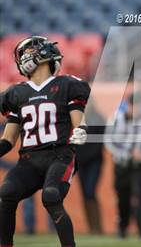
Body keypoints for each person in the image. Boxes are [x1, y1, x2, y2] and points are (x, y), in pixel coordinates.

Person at [0, 36, 90, 247]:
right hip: (29, 160)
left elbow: (79, 122)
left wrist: (80, 131)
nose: (22, 59)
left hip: (59, 156)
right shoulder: (16, 94)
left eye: (25, 54)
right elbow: (8, 140)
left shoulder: (66, 85)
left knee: (51, 196)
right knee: (6, 193)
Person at [105, 92, 141, 240]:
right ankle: (123, 228)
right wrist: (129, 152)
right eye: (134, 105)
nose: (137, 108)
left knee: (140, 193)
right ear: (128, 105)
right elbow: (109, 142)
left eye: (139, 105)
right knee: (123, 196)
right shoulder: (117, 118)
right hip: (122, 163)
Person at [75, 99, 104, 234]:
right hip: (81, 162)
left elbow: (99, 145)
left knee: (90, 191)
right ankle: (91, 227)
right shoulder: (77, 119)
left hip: (94, 161)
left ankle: (97, 227)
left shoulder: (99, 118)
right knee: (85, 194)